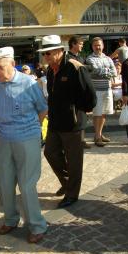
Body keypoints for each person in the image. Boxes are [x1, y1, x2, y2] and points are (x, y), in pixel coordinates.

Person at [0, 47, 48, 244]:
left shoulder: (29, 83)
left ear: (13, 64)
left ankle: (37, 226)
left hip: (27, 138)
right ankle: (11, 219)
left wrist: (32, 130)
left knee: (27, 184)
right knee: (3, 182)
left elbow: (42, 109)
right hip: (3, 139)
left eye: (1, 67)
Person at [40, 35, 96, 208]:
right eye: (44, 54)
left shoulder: (75, 67)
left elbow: (90, 97)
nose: (46, 57)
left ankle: (72, 194)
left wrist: (77, 110)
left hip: (72, 123)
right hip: (55, 122)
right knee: (50, 153)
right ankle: (67, 182)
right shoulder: (50, 70)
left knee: (74, 160)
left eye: (48, 53)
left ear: (59, 51)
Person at [85, 37, 117, 147]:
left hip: (107, 89)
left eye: (99, 45)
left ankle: (99, 134)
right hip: (96, 90)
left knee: (104, 113)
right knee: (97, 113)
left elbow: (115, 72)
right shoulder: (89, 59)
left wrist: (102, 71)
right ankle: (97, 136)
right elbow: (93, 71)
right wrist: (106, 71)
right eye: (95, 45)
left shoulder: (108, 58)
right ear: (92, 47)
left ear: (103, 46)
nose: (98, 47)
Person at [67, 35, 89, 148]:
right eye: (80, 44)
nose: (81, 46)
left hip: (82, 93)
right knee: (72, 119)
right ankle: (74, 141)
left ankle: (82, 140)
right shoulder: (66, 58)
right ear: (74, 44)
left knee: (82, 118)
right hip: (71, 95)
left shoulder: (81, 58)